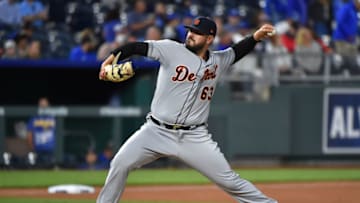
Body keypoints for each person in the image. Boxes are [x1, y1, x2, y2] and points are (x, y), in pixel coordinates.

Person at [97, 16, 278, 203]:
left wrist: (255, 37)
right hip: (155, 131)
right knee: (120, 163)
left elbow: (236, 51)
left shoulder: (218, 61)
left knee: (230, 182)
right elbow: (135, 47)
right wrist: (109, 60)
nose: (190, 35)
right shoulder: (170, 49)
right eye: (190, 31)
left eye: (197, 33)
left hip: (194, 137)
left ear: (209, 39)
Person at [26, 97, 56, 168]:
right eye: (41, 105)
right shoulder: (34, 118)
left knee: (52, 168)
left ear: (48, 106)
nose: (43, 107)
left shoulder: (53, 117)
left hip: (51, 149)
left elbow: (58, 133)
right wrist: (31, 147)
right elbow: (29, 134)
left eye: (45, 105)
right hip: (38, 149)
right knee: (37, 168)